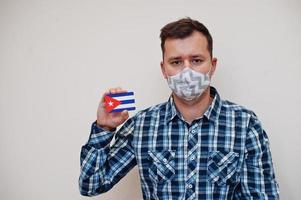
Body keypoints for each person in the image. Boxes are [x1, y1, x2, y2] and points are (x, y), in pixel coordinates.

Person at [78, 17, 280, 199]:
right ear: (164, 69)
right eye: (176, 62)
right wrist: (104, 129)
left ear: (213, 65)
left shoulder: (245, 124)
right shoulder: (142, 125)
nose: (187, 71)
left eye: (196, 60)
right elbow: (91, 184)